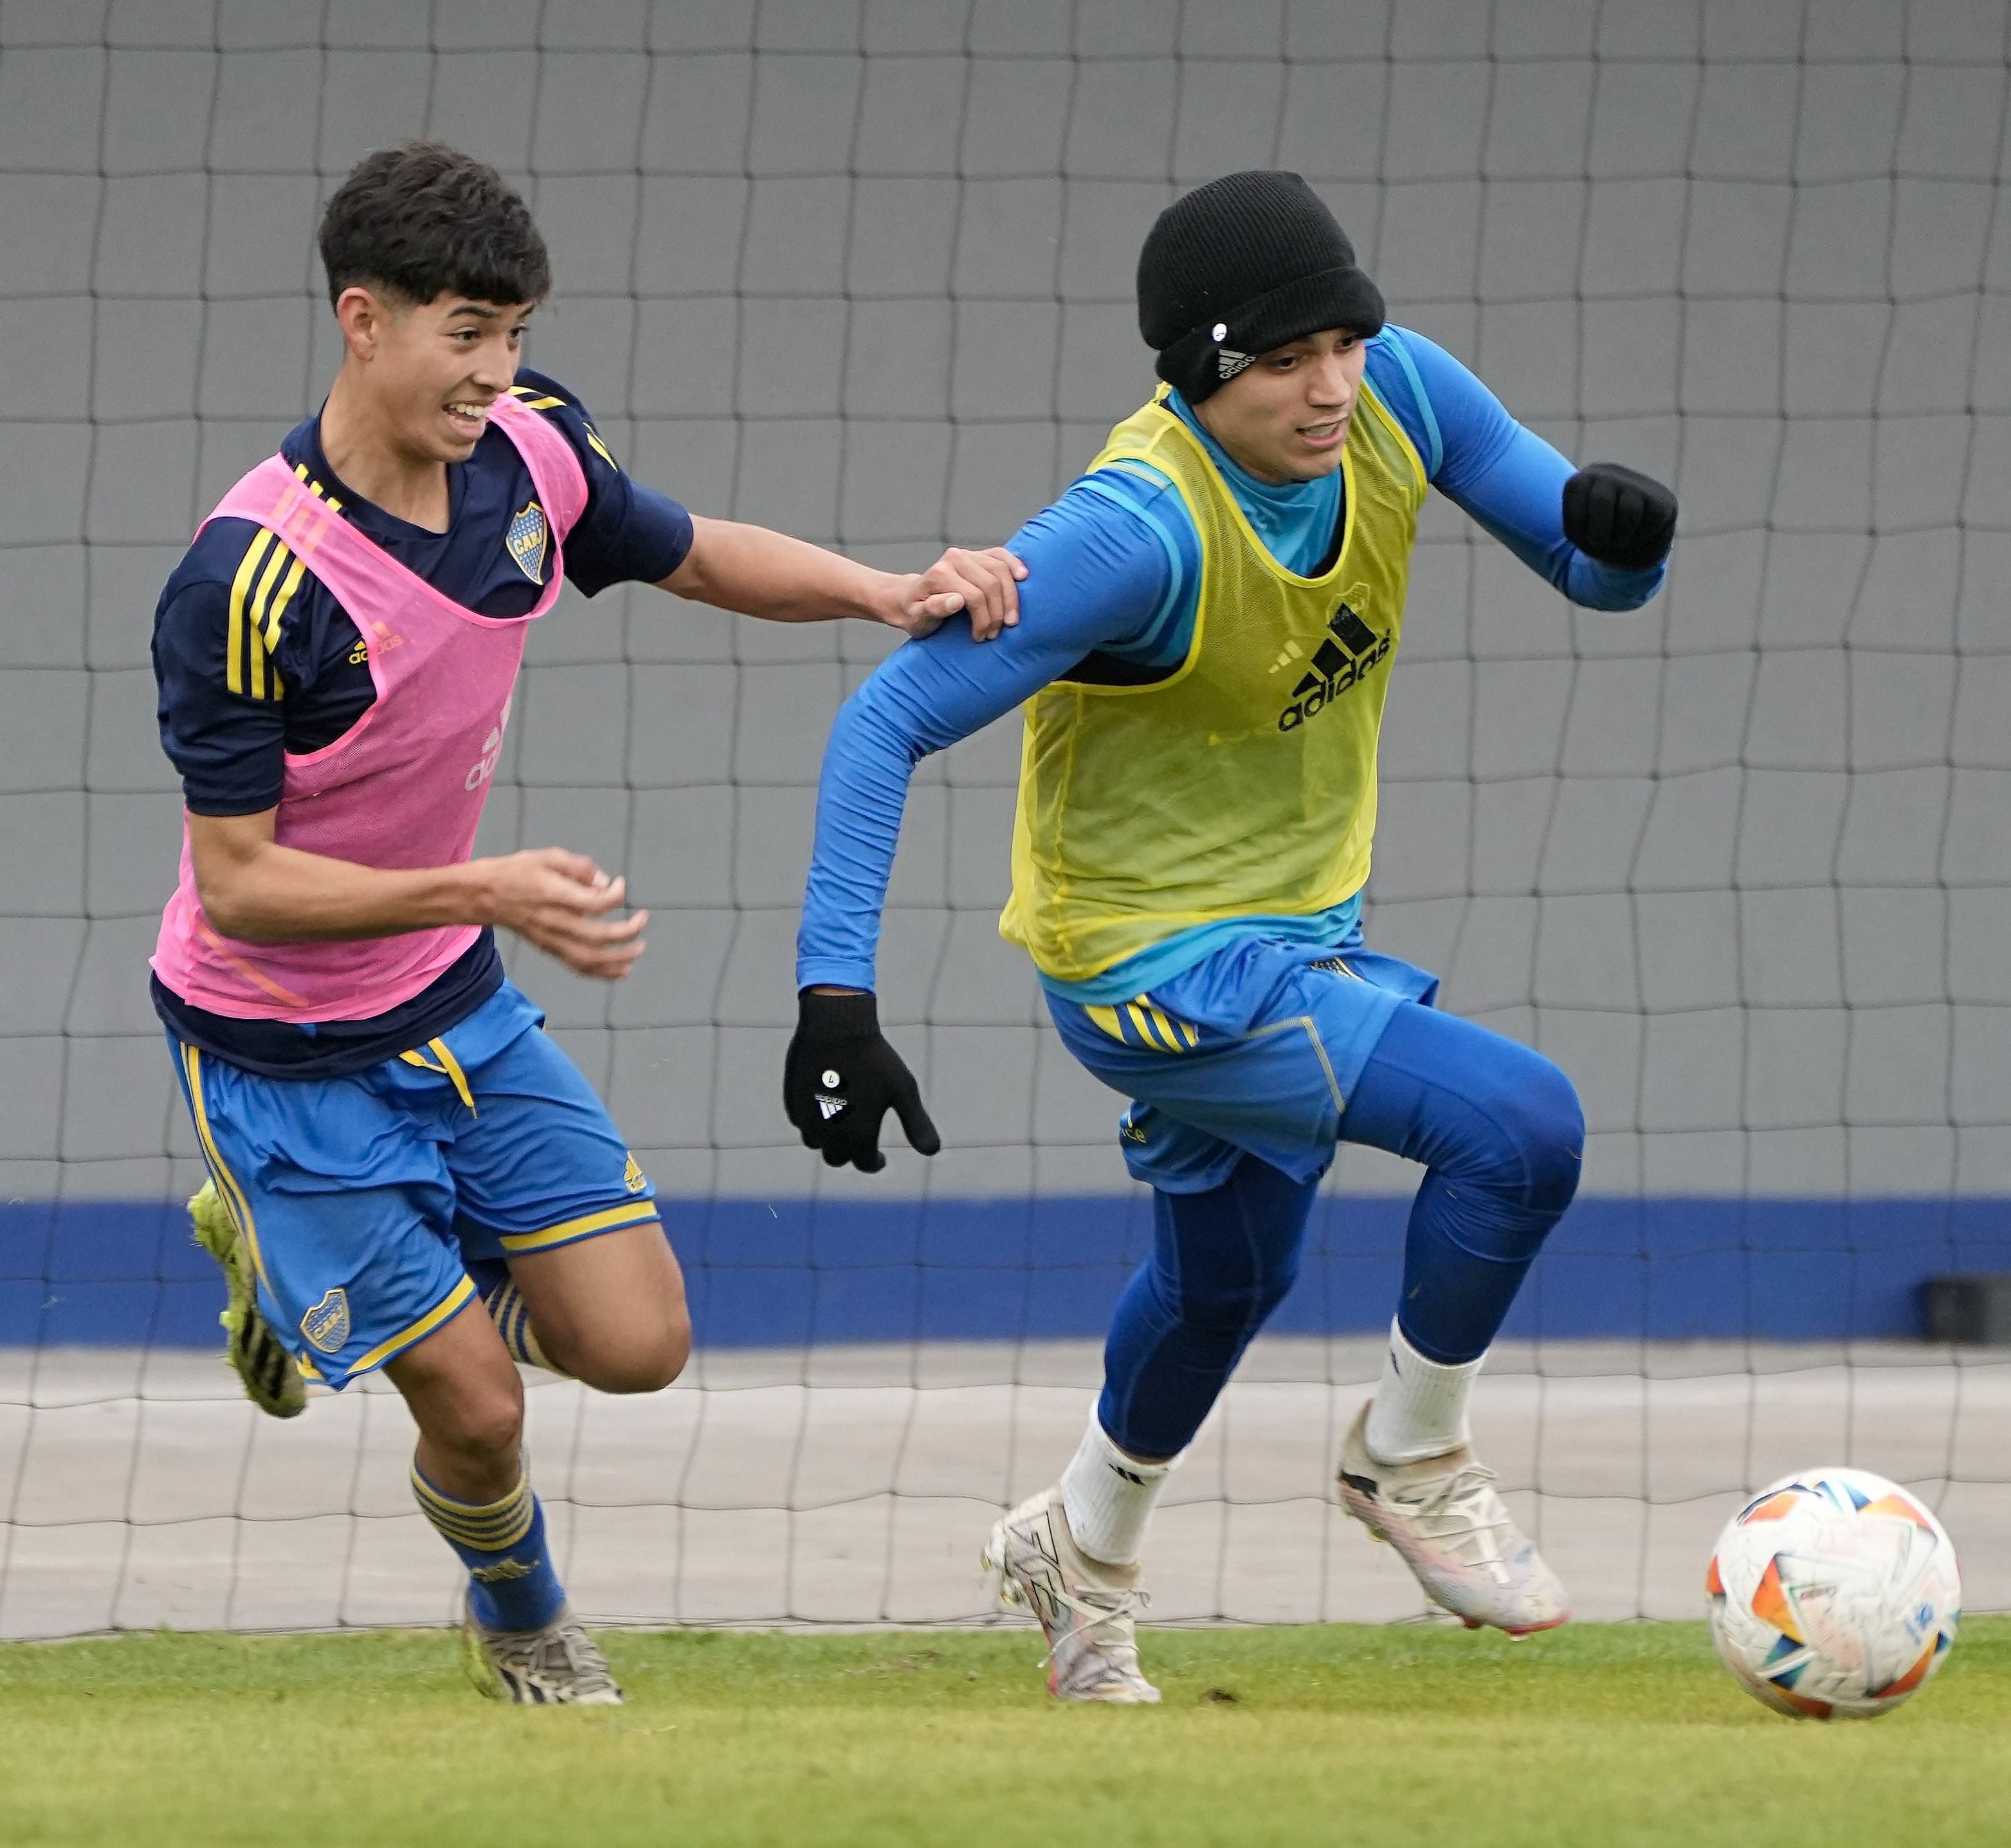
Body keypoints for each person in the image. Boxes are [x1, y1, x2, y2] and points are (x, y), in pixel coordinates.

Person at [783, 171, 1676, 1701]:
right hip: (1150, 973)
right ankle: (1410, 1457)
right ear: (1201, 375)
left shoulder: (1400, 394)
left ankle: (1079, 1547)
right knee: (1522, 1130)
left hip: (1299, 934)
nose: (1328, 384)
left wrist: (1631, 537)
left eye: (1341, 338)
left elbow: (1591, 571)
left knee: (1226, 1281)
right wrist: (834, 1002)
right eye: (1280, 361)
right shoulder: (1132, 532)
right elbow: (880, 730)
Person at [151, 141, 1022, 1705]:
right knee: (481, 1412)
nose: (497, 370)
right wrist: (481, 886)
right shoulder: (251, 581)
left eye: (515, 332)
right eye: (463, 333)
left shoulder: (531, 456)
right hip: (278, 1047)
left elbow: (684, 549)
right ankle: (522, 1613)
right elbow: (239, 882)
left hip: (449, 1006)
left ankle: (347, 1277)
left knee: (636, 1348)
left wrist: (885, 592)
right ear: (363, 320)